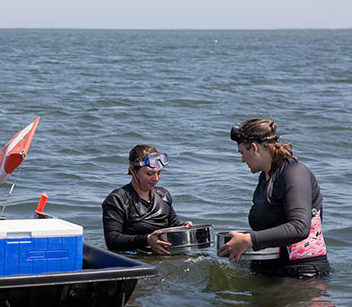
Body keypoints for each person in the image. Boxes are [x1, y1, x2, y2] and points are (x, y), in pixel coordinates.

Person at [218, 119, 330, 278]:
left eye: (242, 152)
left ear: (254, 148)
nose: (242, 159)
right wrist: (246, 249)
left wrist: (249, 240)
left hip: (302, 276)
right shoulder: (265, 178)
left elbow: (299, 227)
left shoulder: (294, 173)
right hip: (269, 271)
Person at [102, 144, 192, 255]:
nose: (156, 179)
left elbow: (173, 227)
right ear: (133, 170)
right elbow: (112, 240)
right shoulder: (117, 199)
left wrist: (184, 228)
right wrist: (147, 240)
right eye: (149, 173)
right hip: (135, 258)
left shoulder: (163, 195)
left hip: (163, 256)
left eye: (159, 173)